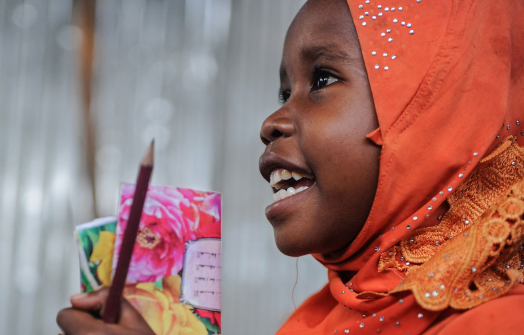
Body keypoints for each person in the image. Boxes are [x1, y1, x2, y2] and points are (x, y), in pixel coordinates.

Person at [57, 0, 524, 333]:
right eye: (284, 92)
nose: (271, 122)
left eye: (321, 79)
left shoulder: (501, 323)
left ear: (436, 113)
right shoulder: (327, 318)